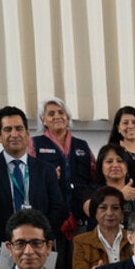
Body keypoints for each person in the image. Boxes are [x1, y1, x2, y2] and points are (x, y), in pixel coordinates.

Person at [0, 105, 68, 249]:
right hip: (3, 243)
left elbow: (59, 209)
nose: (14, 134)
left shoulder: (46, 169)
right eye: (8, 129)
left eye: (19, 128)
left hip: (39, 243)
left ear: (27, 133)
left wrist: (40, 234)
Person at [30, 97, 98, 230]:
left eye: (61, 113)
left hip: (82, 217)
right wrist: (46, 177)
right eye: (51, 114)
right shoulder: (34, 144)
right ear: (43, 120)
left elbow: (95, 177)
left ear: (67, 117)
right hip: (50, 217)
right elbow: (28, 179)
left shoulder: (82, 145)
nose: (57, 116)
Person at [70, 186, 126, 269]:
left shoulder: (133, 238)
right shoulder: (80, 241)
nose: (109, 213)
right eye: (103, 208)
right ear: (94, 212)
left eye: (115, 208)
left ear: (122, 213)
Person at [91, 143, 135, 212]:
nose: (115, 165)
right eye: (109, 161)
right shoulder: (92, 190)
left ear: (127, 167)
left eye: (120, 161)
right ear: (100, 166)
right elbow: (91, 211)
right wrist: (120, 196)